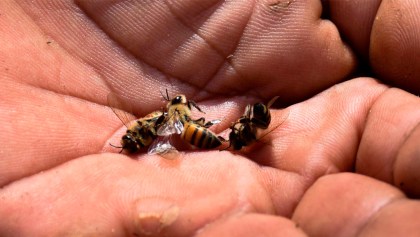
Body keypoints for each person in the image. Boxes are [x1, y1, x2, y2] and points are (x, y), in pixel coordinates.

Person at [0, 1, 419, 236]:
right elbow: (174, 128)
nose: (134, 137)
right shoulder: (172, 127)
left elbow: (174, 128)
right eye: (132, 140)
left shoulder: (174, 125)